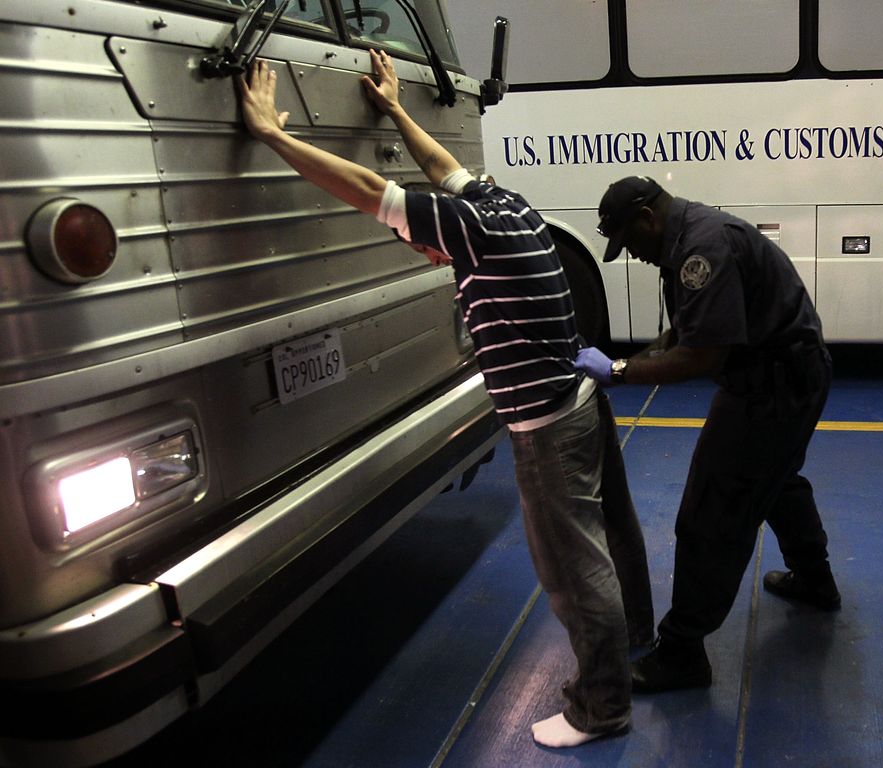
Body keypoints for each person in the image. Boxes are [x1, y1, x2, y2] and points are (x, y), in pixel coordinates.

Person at [236, 52, 653, 747]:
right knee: (611, 534)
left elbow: (368, 188)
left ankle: (602, 707)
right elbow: (442, 166)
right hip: (579, 398)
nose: (425, 255)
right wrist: (397, 110)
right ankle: (635, 634)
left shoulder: (470, 230)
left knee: (572, 570)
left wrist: (274, 136)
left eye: (419, 243)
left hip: (548, 426)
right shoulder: (502, 204)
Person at [575, 176, 840, 694]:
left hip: (771, 387)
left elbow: (701, 356)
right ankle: (815, 579)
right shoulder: (686, 236)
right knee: (778, 481)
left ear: (647, 218)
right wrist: (636, 357)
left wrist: (620, 371)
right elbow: (686, 332)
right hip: (789, 376)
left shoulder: (702, 249)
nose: (634, 255)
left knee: (710, 512)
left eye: (630, 242)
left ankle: (682, 655)